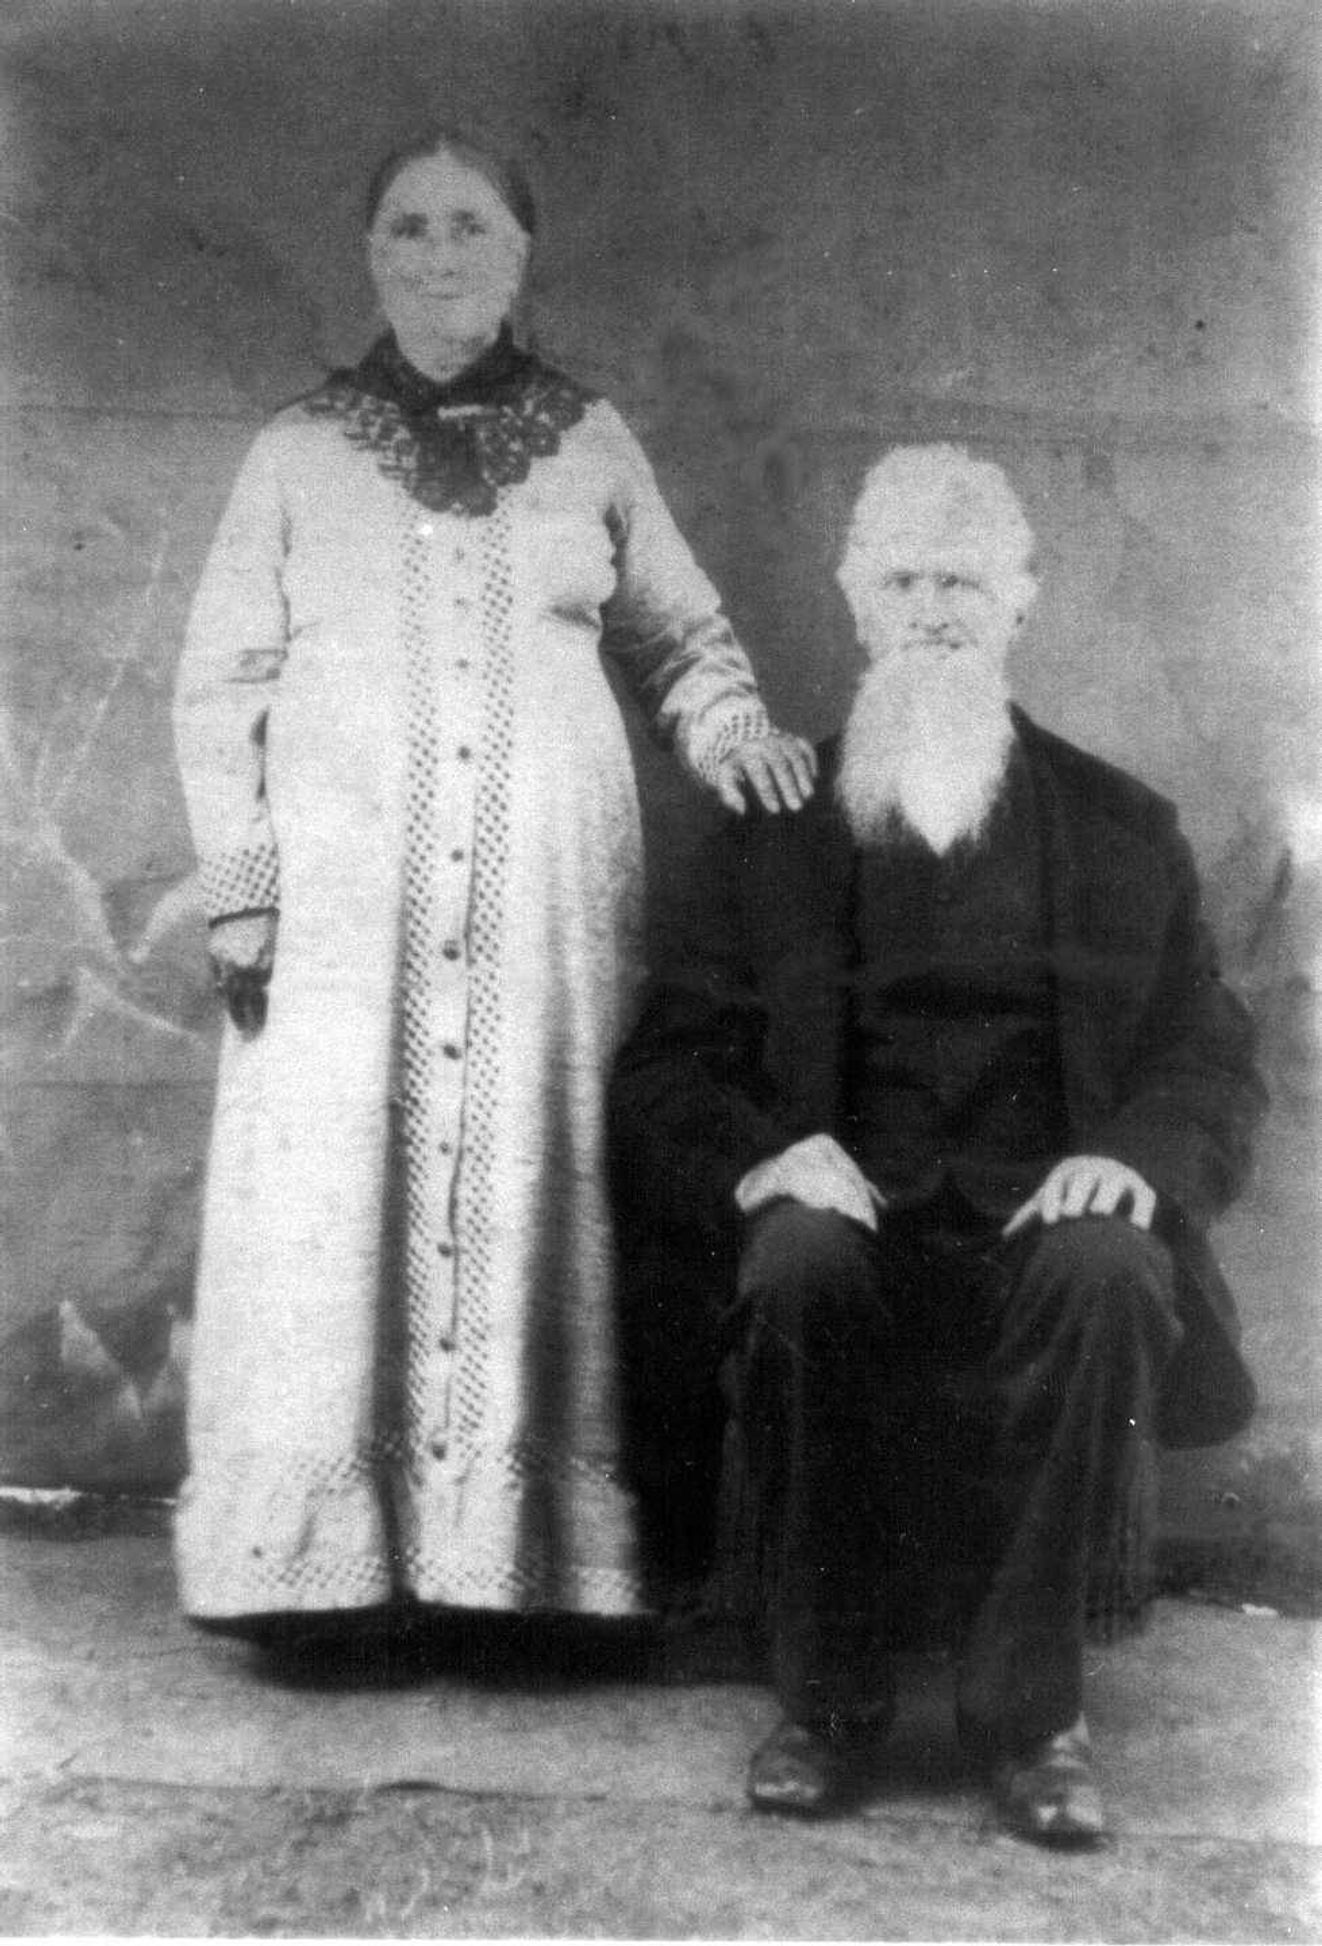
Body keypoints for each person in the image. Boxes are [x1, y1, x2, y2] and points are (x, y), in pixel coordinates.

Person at [171, 127, 815, 1633]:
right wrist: (246, 883)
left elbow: (680, 635)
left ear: (521, 254)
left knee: (541, 1169)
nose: (437, 251)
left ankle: (513, 1569)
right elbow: (219, 686)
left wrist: (732, 734)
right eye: (407, 225)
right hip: (342, 909)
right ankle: (319, 1576)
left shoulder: (589, 440)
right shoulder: (295, 448)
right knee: (337, 1193)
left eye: (470, 225)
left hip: (545, 905)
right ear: (370, 254)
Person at [609, 443, 1265, 1843]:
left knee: (1112, 1262)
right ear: (854, 604)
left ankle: (1032, 1719)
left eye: (960, 580)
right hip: (855, 1214)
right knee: (789, 1257)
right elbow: (667, 1066)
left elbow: (1207, 1057)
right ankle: (828, 1699)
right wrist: (763, 1156)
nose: (929, 608)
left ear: (1018, 603)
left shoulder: (1120, 826)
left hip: (1038, 1227)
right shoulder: (771, 830)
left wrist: (1137, 1154)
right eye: (899, 577)